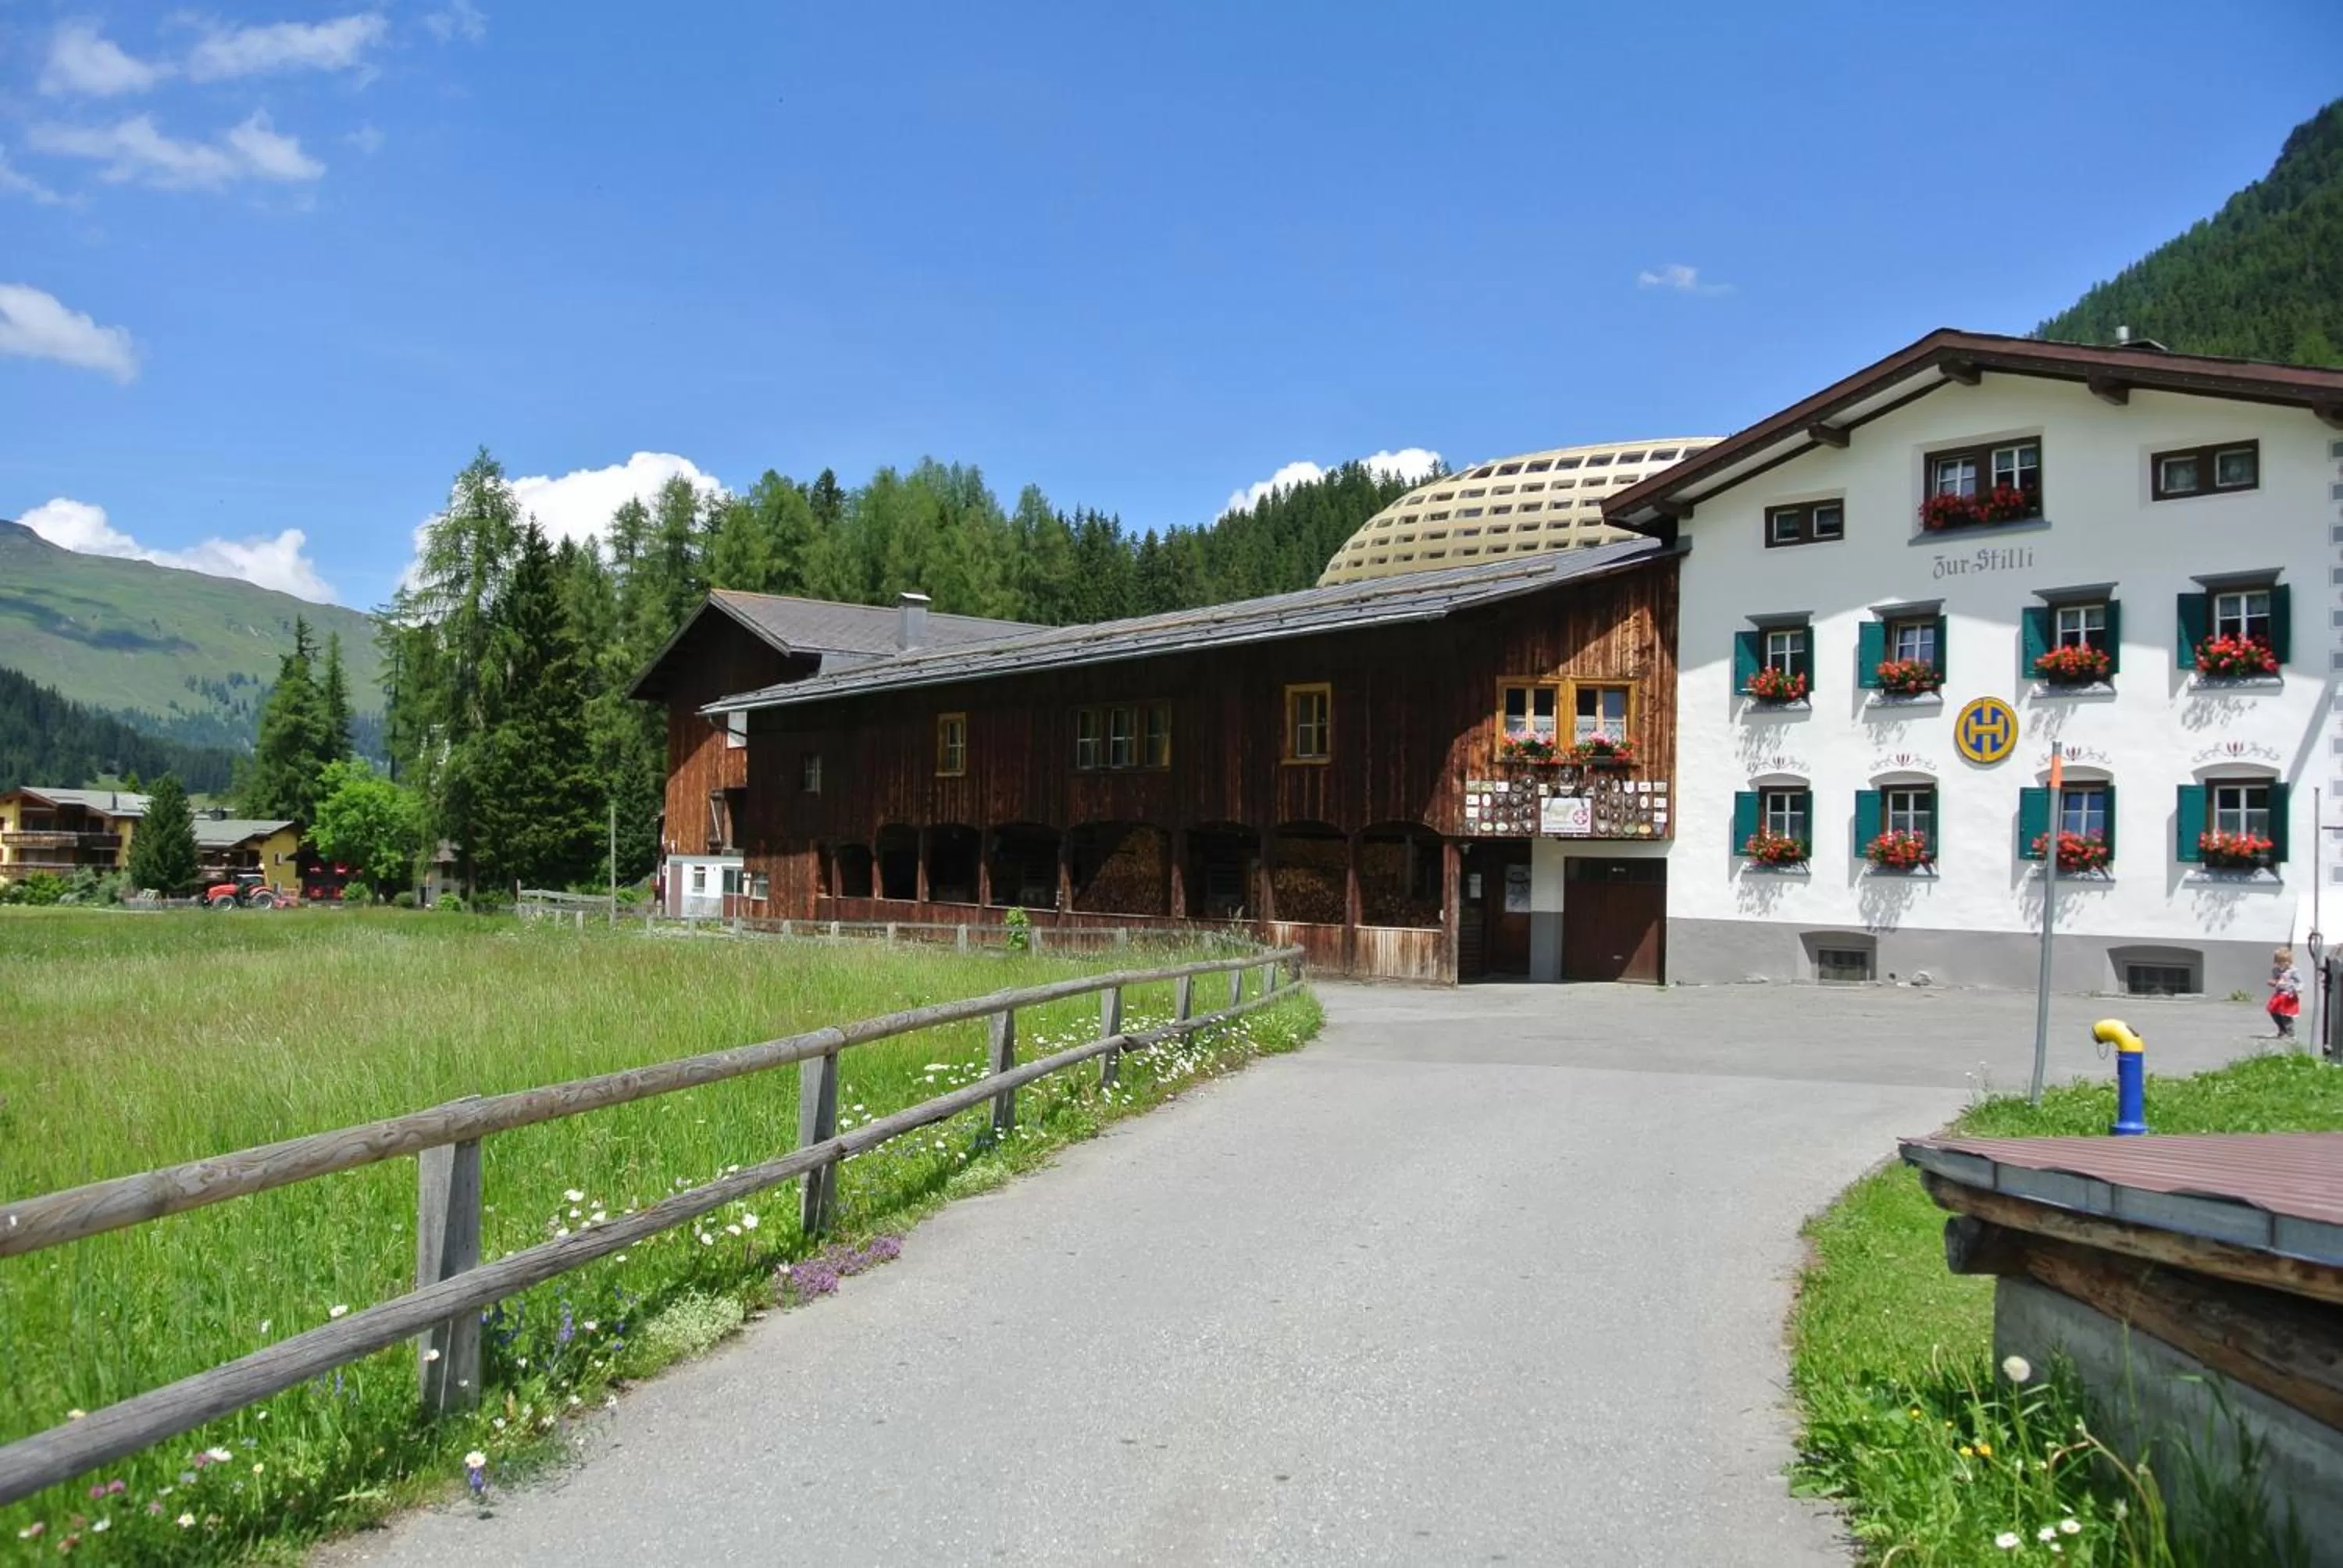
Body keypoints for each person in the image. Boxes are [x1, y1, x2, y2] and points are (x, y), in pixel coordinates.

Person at [2267, 947, 2302, 1041]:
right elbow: (2275, 980)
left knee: (2286, 1015)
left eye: (2285, 962)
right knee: (2273, 1011)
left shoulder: (2293, 971)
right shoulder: (2276, 970)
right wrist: (2273, 982)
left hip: (2289, 995)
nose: (2282, 964)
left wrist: (2297, 989)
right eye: (2279, 962)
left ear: (2289, 961)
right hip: (2279, 994)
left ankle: (2291, 1034)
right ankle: (2282, 1030)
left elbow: (2300, 982)